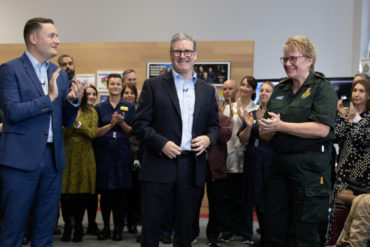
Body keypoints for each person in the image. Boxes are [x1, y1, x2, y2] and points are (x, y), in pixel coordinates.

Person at [0, 17, 84, 247]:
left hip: (53, 160)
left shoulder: (59, 73)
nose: (58, 40)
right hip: (20, 161)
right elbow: (13, 112)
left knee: (45, 229)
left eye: (57, 35)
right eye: (52, 36)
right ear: (33, 38)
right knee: (13, 229)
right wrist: (50, 98)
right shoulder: (10, 70)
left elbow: (66, 120)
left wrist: (73, 101)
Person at [133, 33, 219, 247]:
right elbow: (140, 124)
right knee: (151, 229)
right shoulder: (153, 85)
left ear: (195, 55)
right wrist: (161, 143)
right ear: (171, 54)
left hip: (191, 168)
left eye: (187, 51)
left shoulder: (207, 91)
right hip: (158, 165)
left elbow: (214, 126)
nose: (183, 55)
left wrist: (209, 139)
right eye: (177, 51)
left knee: (185, 231)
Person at [259, 35, 338, 247]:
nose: (287, 63)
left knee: (305, 232)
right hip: (279, 170)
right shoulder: (280, 89)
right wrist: (265, 128)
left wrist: (281, 126)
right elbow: (266, 133)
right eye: (284, 59)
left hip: (309, 172)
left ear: (309, 60)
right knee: (275, 230)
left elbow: (321, 129)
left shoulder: (322, 88)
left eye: (292, 58)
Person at [325, 79, 370, 246]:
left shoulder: (367, 118)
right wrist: (345, 118)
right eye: (355, 90)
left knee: (357, 225)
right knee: (337, 221)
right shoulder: (345, 114)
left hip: (363, 178)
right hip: (343, 173)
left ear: (368, 95)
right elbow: (336, 136)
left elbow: (361, 138)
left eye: (361, 91)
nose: (356, 94)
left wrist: (353, 119)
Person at [93, 73, 135, 241]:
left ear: (122, 86)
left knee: (120, 194)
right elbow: (95, 133)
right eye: (112, 83)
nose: (115, 86)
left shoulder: (129, 107)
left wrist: (121, 123)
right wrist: (111, 124)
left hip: (122, 153)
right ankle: (106, 228)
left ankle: (118, 228)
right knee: (105, 194)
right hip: (104, 153)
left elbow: (132, 132)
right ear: (107, 86)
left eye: (118, 84)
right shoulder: (99, 108)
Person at [221, 76, 259, 243]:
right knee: (229, 196)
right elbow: (224, 128)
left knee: (245, 198)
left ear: (252, 90)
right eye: (242, 84)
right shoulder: (231, 107)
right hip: (229, 154)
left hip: (247, 157)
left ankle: (245, 232)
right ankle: (228, 231)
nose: (244, 87)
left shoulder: (256, 109)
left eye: (247, 85)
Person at [238, 81, 275, 246]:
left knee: (267, 200)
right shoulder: (251, 113)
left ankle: (268, 236)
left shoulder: (276, 114)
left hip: (269, 159)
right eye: (262, 90)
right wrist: (248, 125)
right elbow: (242, 138)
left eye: (268, 91)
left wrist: (260, 123)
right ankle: (254, 234)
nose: (264, 93)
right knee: (252, 197)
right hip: (252, 157)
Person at [192, 95, 232, 247]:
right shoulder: (194, 117)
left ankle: (213, 235)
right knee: (194, 202)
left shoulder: (223, 118)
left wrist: (213, 124)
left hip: (217, 167)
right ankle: (191, 233)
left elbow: (225, 136)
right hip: (196, 165)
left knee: (216, 204)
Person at [60, 85, 98, 242]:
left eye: (83, 93)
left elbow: (92, 133)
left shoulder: (91, 111)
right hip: (66, 156)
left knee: (82, 195)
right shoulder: (64, 110)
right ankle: (68, 226)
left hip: (85, 157)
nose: (82, 95)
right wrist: (71, 121)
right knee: (66, 194)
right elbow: (61, 132)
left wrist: (77, 124)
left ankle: (78, 227)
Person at [122, 83, 142, 235]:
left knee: (135, 191)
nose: (129, 95)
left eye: (131, 93)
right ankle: (122, 220)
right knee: (123, 191)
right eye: (126, 92)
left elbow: (136, 132)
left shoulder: (140, 111)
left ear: (136, 96)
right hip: (120, 155)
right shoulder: (118, 109)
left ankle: (133, 222)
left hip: (136, 155)